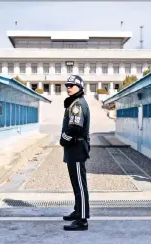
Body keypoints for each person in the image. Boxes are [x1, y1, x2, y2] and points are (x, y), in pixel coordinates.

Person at [60, 75, 91, 231]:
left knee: (80, 184)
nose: (69, 87)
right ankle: (78, 211)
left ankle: (82, 220)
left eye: (72, 85)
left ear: (80, 87)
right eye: (67, 85)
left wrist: (63, 139)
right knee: (76, 183)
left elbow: (75, 128)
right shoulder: (74, 102)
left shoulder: (78, 104)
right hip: (74, 149)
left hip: (77, 148)